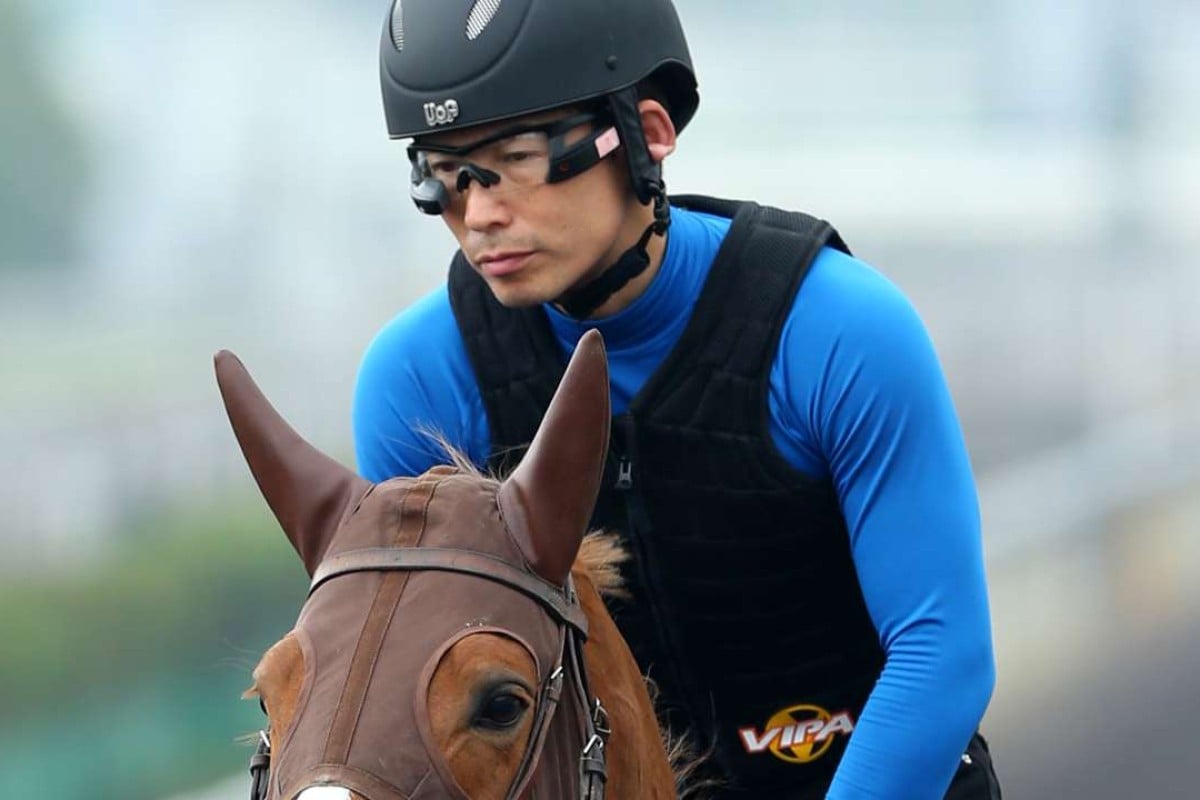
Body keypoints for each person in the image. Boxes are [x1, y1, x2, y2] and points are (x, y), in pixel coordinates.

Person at [352, 1, 1001, 797]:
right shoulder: (420, 382)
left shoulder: (837, 330)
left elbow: (943, 651)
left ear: (647, 132)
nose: (479, 213)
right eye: (446, 175)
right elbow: (416, 691)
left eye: (515, 158)